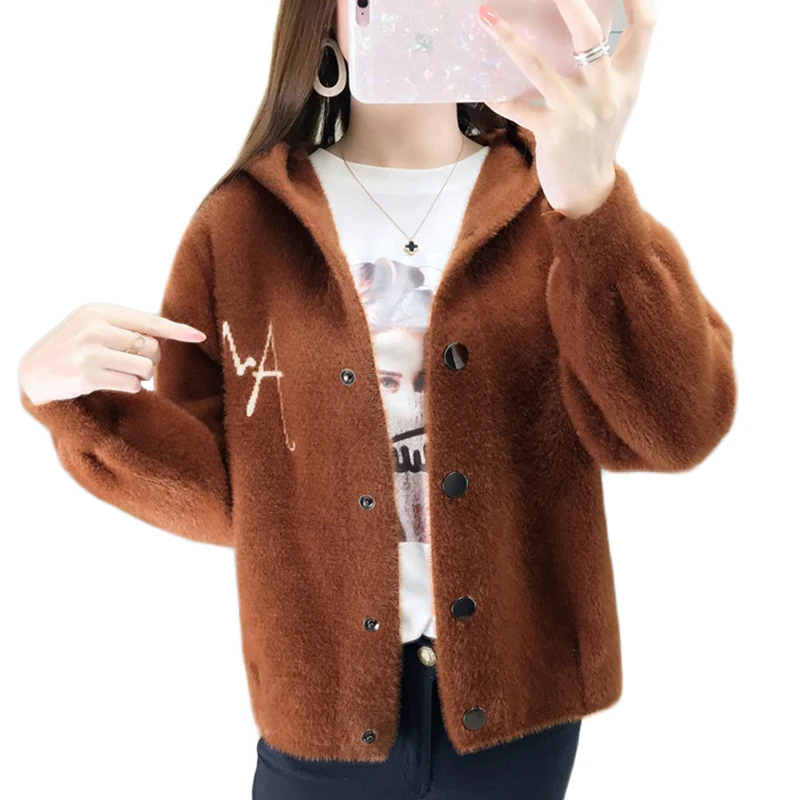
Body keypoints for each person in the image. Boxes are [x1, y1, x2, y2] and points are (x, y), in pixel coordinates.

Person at [18, 1, 736, 798]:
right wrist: (68, 402)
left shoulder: (553, 194)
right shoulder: (244, 223)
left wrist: (595, 206)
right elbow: (232, 495)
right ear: (323, 21)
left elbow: (677, 429)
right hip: (321, 714)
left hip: (522, 711)